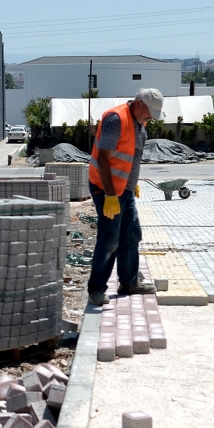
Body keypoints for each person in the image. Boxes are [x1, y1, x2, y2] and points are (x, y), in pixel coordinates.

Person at [86, 89, 163, 306]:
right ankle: (96, 289)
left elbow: (131, 156)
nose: (150, 118)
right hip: (106, 188)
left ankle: (129, 282)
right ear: (138, 103)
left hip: (124, 189)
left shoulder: (139, 122)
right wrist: (110, 195)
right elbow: (102, 158)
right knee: (110, 239)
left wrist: (132, 184)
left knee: (131, 233)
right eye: (148, 113)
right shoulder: (116, 119)